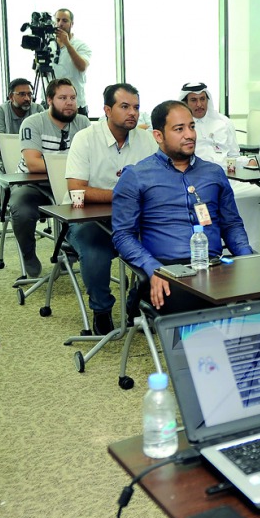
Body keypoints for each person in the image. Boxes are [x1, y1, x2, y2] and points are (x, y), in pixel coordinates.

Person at [112, 100, 253, 313]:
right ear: (158, 136)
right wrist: (153, 269)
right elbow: (123, 235)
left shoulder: (213, 173)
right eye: (179, 129)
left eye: (192, 126)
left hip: (214, 266)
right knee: (197, 310)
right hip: (168, 271)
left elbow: (231, 224)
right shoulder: (136, 176)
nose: (190, 135)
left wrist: (248, 260)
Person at [65, 83, 157, 335]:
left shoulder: (147, 140)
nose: (133, 113)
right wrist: (125, 195)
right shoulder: (85, 138)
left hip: (133, 218)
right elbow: (77, 190)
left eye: (136, 107)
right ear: (107, 110)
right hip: (89, 219)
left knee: (164, 243)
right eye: (125, 106)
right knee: (96, 251)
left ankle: (137, 304)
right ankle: (102, 309)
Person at [13, 78, 91, 278]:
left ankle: (70, 250)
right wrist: (74, 167)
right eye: (62, 98)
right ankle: (28, 254)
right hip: (35, 184)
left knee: (94, 209)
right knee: (22, 210)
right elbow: (33, 163)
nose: (69, 102)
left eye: (72, 98)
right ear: (49, 100)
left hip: (70, 184)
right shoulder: (33, 123)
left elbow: (92, 160)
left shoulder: (83, 123)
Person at [180, 81, 260, 249]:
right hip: (197, 180)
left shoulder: (223, 122)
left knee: (257, 193)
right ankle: (212, 246)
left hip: (227, 178)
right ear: (185, 102)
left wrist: (247, 161)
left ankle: (250, 244)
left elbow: (233, 156)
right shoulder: (182, 126)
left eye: (202, 99)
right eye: (194, 100)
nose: (199, 104)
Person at [51, 8, 92, 116]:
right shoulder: (48, 44)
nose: (60, 24)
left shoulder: (80, 45)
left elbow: (82, 66)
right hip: (51, 103)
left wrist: (67, 44)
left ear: (71, 24)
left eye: (64, 21)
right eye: (58, 20)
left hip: (75, 104)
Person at [0, 78, 44, 150]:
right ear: (11, 97)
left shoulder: (38, 109)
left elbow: (46, 139)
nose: (27, 98)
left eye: (29, 94)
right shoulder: (1, 111)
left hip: (33, 154)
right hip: (8, 154)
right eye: (22, 94)